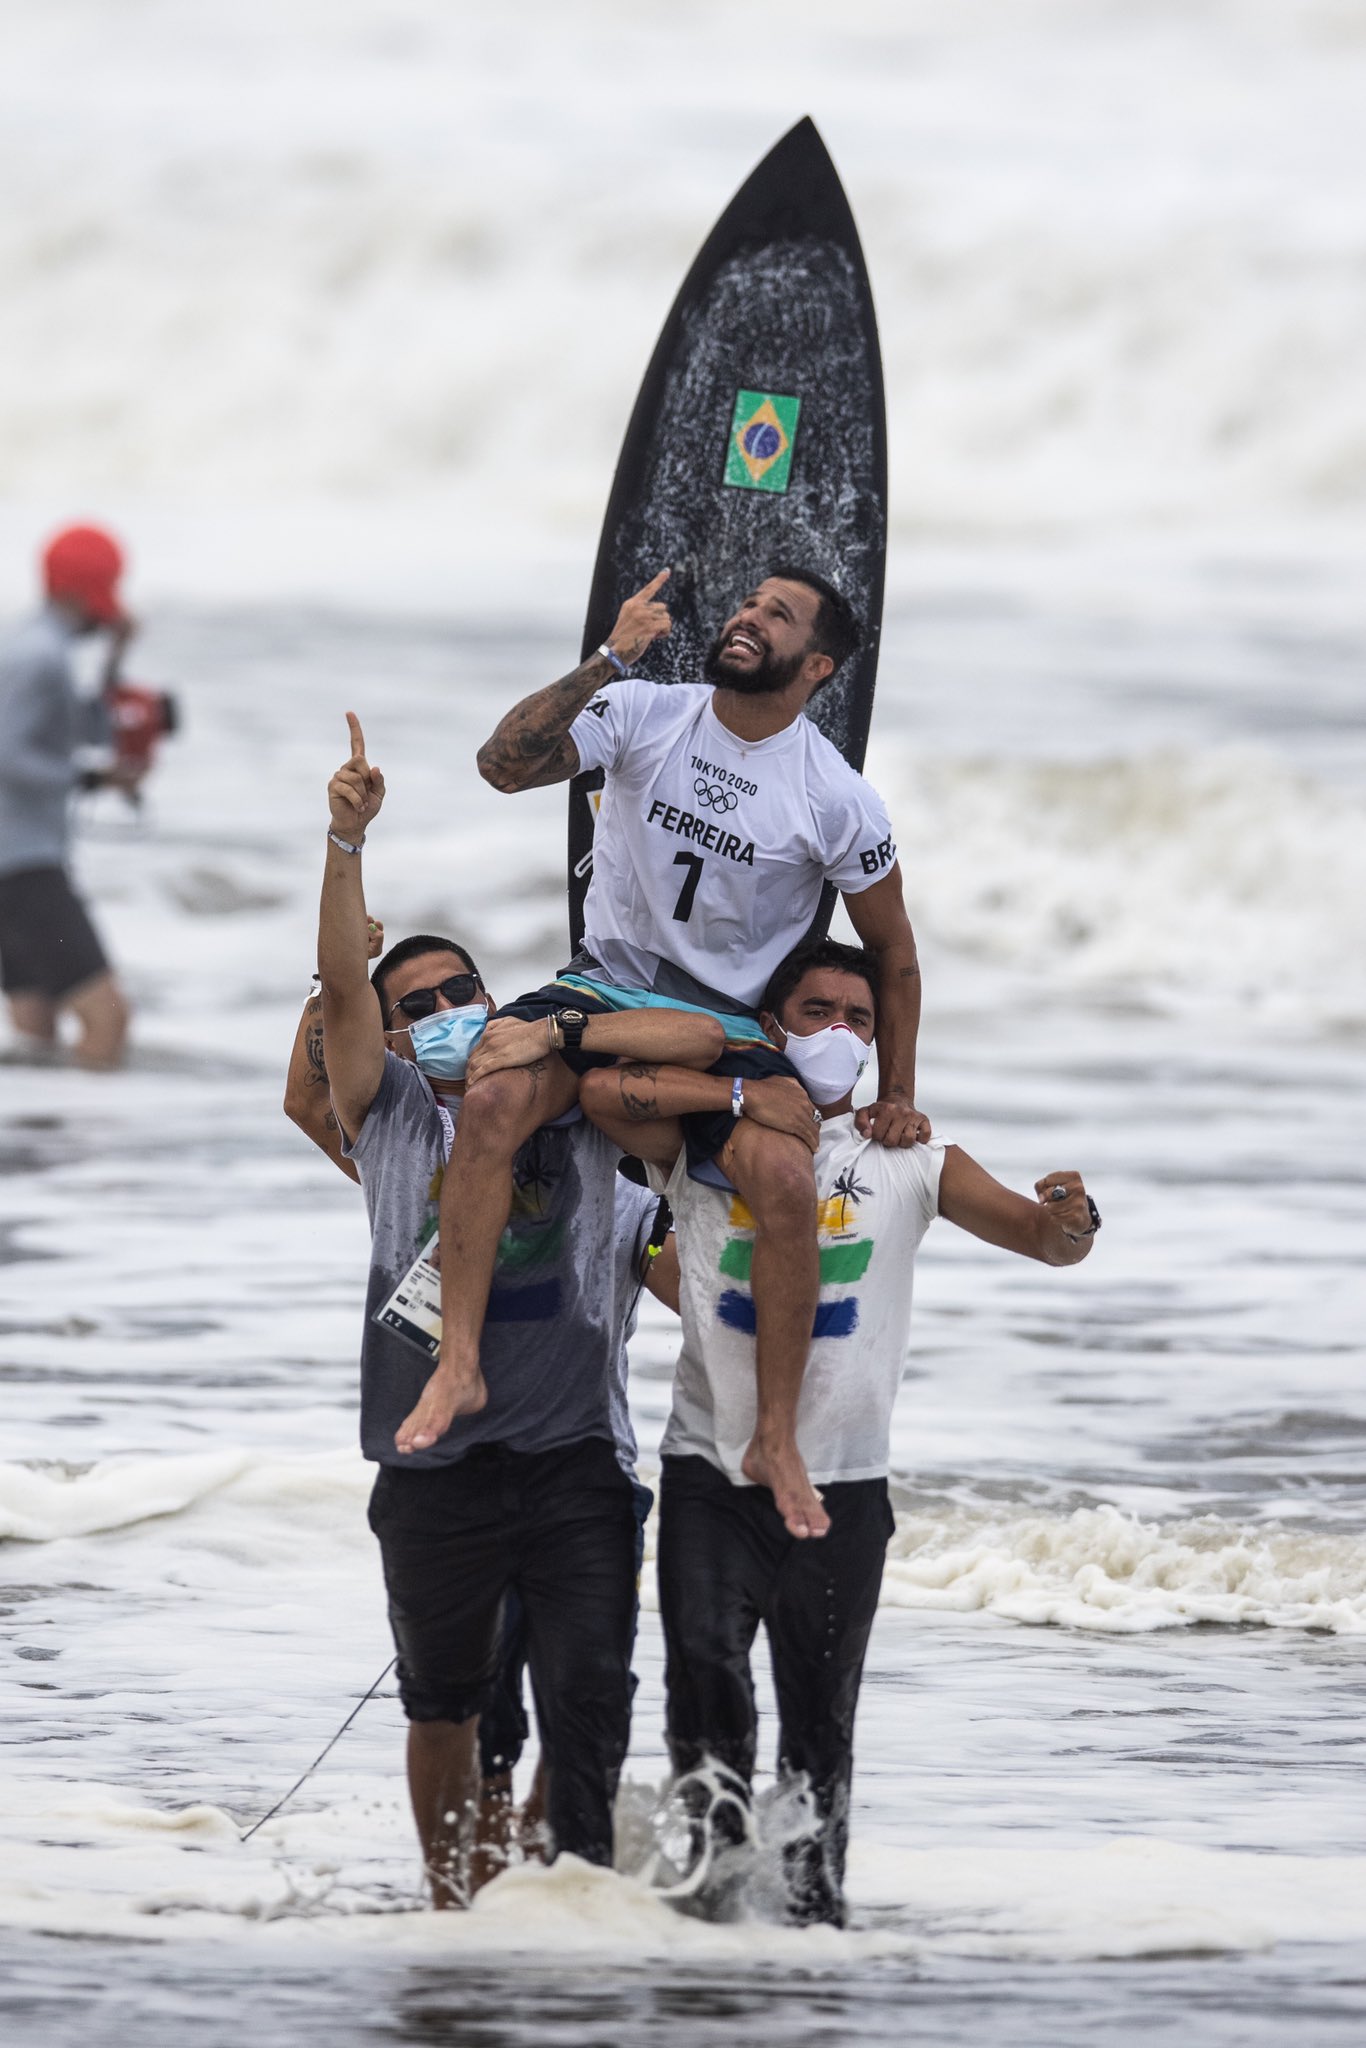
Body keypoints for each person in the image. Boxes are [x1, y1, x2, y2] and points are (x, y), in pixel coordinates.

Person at [578, 936, 1101, 1927]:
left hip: (844, 1491)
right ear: (771, 1023)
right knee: (704, 1689)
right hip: (711, 1472)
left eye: (859, 1019)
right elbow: (606, 1091)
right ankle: (713, 1907)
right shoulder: (698, 1142)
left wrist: (1071, 1212)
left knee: (820, 1731)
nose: (838, 1033)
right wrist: (736, 1091)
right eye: (816, 1011)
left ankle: (814, 1926)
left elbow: (1044, 1240)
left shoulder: (907, 1160)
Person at [424, 566, 928, 1543]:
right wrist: (610, 652)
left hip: (727, 1025)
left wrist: (899, 1089)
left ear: (817, 664)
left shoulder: (837, 798)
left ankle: (775, 1437)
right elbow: (501, 762)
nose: (746, 615)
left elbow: (894, 952)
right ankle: (459, 1359)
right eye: (746, 602)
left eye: (776, 614)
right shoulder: (638, 709)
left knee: (784, 1176)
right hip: (600, 979)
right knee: (488, 1104)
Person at [316, 712, 710, 1905]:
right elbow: (339, 985)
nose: (443, 1006)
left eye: (462, 988)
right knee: (444, 1695)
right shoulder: (389, 1117)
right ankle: (454, 1900)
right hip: (432, 1457)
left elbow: (684, 1043)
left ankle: (551, 1885)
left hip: (574, 1456)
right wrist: (345, 843)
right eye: (418, 1000)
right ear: (391, 1037)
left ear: (497, 998)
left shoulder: (579, 1108)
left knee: (587, 1692)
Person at [0, 524, 138, 1066]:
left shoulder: (25, 644)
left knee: (35, 1025)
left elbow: (86, 730)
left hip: (12, 867)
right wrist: (93, 780)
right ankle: (94, 1151)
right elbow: (5, 755)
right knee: (108, 1018)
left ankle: (35, 1144)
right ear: (84, 592)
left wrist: (114, 660)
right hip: (25, 868)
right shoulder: (41, 658)